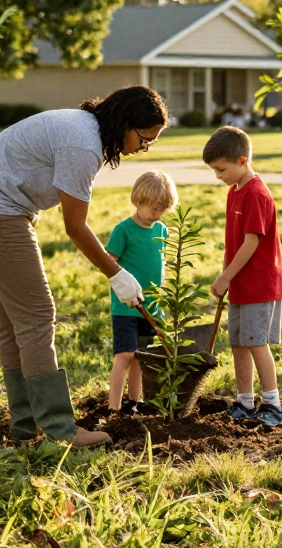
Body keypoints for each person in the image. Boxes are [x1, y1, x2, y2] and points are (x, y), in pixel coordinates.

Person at [0, 85, 169, 447]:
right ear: (125, 123)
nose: (143, 148)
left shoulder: (87, 130)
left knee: (13, 321)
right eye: (144, 139)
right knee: (37, 314)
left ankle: (24, 426)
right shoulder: (83, 145)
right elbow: (75, 227)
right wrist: (117, 274)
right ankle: (59, 430)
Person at [204, 126, 282, 427]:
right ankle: (245, 401)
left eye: (221, 169)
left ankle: (273, 404)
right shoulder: (234, 192)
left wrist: (225, 277)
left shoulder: (257, 194)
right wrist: (226, 274)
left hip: (259, 286)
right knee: (238, 343)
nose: (218, 176)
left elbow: (251, 243)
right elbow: (234, 241)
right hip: (239, 284)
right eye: (214, 170)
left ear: (242, 161)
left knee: (256, 343)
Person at [105, 171, 177, 414]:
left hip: (151, 308)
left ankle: (135, 403)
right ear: (138, 200)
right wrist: (122, 289)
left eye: (161, 209)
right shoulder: (123, 230)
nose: (156, 213)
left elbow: (161, 265)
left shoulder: (162, 231)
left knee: (141, 358)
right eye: (152, 207)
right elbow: (109, 263)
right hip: (126, 306)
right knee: (125, 355)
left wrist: (161, 300)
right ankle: (113, 408)